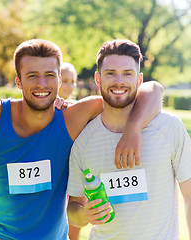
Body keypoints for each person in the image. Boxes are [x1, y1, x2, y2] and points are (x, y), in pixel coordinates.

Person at [0, 39, 163, 239]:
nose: (42, 84)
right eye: (32, 75)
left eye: (49, 75)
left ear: (59, 79)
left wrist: (133, 128)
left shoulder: (73, 117)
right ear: (18, 81)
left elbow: (152, 89)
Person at [66, 39, 191, 240]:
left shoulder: (169, 127)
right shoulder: (83, 141)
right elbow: (73, 208)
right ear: (98, 79)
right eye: (110, 73)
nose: (119, 81)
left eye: (127, 74)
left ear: (139, 80)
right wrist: (84, 214)